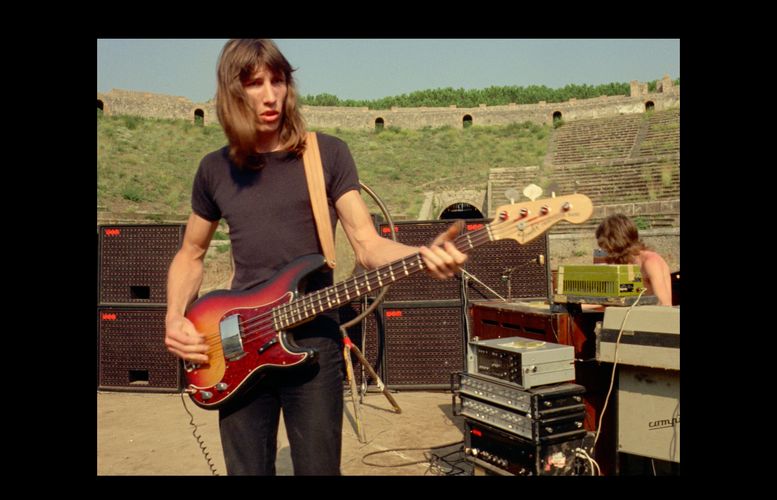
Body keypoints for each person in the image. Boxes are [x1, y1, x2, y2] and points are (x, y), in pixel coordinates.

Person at [163, 39, 467, 476]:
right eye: (254, 83)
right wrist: (175, 317)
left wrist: (421, 255)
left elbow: (367, 244)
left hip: (313, 341)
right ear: (233, 92)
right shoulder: (215, 169)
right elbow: (191, 254)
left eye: (279, 80)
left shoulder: (326, 154)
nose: (270, 95)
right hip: (237, 344)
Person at [595, 213, 672, 306]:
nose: (605, 251)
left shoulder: (651, 262)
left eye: (606, 246)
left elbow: (664, 304)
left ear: (616, 242)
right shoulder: (627, 263)